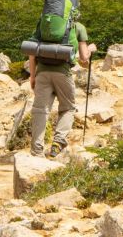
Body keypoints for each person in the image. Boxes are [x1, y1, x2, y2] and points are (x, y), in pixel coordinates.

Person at [28, 16, 93, 158]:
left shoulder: (44, 25)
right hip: (63, 73)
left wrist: (32, 76)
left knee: (40, 110)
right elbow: (84, 58)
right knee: (67, 107)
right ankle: (58, 142)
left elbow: (32, 53)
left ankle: (36, 151)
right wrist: (91, 49)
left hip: (42, 73)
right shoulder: (78, 27)